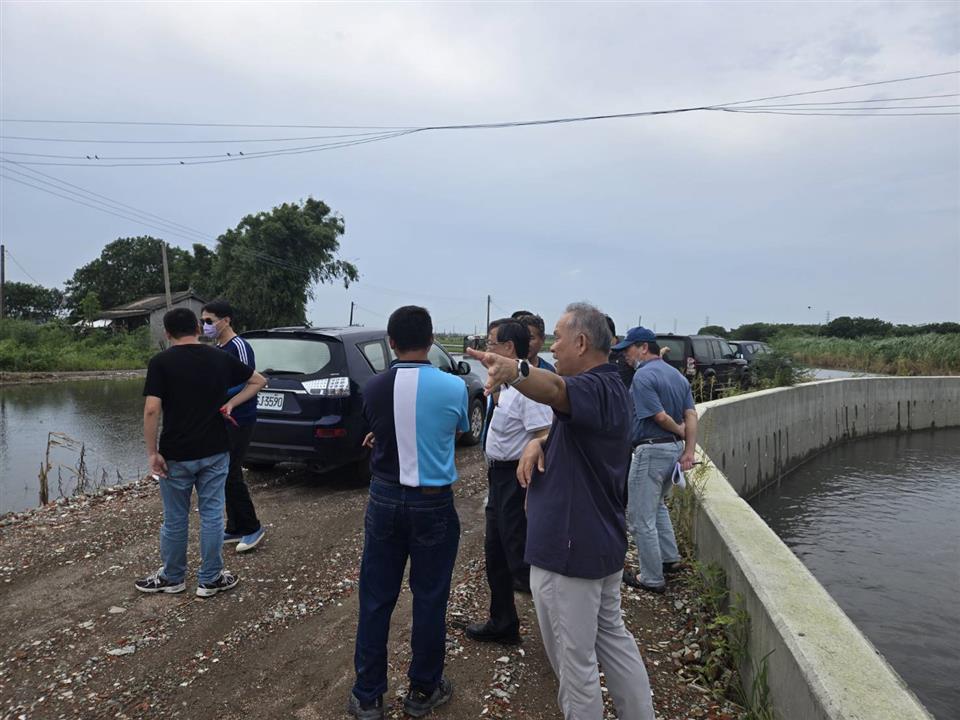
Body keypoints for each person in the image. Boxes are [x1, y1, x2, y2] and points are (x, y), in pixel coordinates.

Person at [468, 302, 655, 720]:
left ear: (582, 342)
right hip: (600, 543)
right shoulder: (613, 387)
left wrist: (516, 371)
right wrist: (540, 442)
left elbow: (554, 390)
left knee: (575, 665)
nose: (552, 346)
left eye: (558, 337)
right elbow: (573, 430)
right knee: (614, 640)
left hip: (569, 553)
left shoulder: (589, 387)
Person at [349, 306, 469, 720]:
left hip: (384, 498)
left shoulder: (373, 387)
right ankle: (423, 689)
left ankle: (368, 695)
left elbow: (382, 429)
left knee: (375, 598)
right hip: (433, 502)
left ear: (391, 343)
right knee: (430, 598)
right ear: (432, 340)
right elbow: (456, 430)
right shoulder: (454, 386)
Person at [136, 308, 266, 597]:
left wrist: (152, 453)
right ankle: (210, 578)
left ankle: (172, 577)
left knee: (175, 518)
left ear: (167, 333)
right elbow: (258, 380)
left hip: (176, 453)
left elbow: (152, 410)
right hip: (215, 450)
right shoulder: (219, 357)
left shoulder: (161, 362)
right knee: (211, 515)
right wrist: (232, 403)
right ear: (197, 328)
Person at [466, 319, 553, 645]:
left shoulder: (529, 389)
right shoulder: (503, 385)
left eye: (491, 343)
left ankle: (564, 634)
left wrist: (531, 488)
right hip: (498, 476)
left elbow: (545, 434)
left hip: (518, 479)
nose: (487, 349)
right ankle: (503, 622)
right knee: (496, 553)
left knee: (521, 558)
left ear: (508, 348)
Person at [612, 327, 697, 594]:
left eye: (628, 349)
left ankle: (651, 577)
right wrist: (689, 449)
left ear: (643, 348)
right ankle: (669, 559)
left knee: (639, 517)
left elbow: (659, 416)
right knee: (658, 505)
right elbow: (691, 414)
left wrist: (678, 430)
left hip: (651, 450)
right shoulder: (676, 375)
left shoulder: (643, 376)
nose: (625, 355)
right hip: (672, 450)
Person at [200, 300, 265, 553]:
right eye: (202, 321)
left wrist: (227, 400)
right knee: (224, 472)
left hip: (241, 418)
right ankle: (235, 526)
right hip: (222, 418)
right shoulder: (217, 348)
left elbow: (252, 381)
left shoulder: (239, 346)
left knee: (232, 471)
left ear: (226, 320)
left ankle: (252, 527)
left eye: (209, 320)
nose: (205, 325)